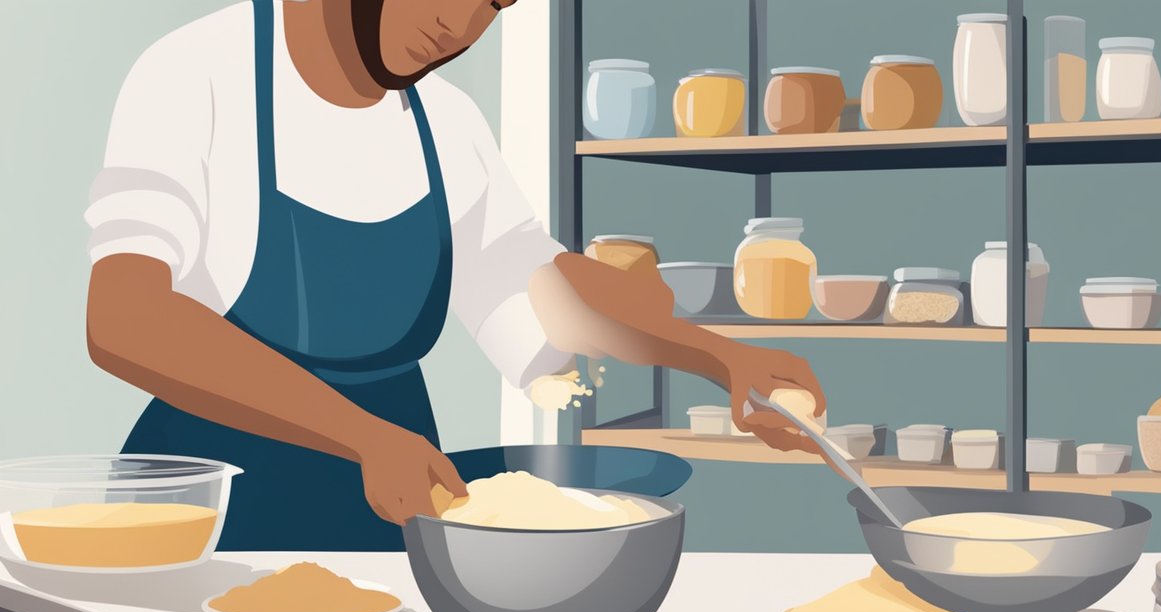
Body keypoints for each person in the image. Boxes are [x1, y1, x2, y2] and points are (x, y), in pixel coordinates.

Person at [85, 0, 826, 552]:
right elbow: (125, 317)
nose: (461, 22)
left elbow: (532, 279)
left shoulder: (446, 121)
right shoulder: (199, 73)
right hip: (207, 517)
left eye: (497, 3)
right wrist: (362, 437)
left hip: (397, 508)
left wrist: (718, 357)